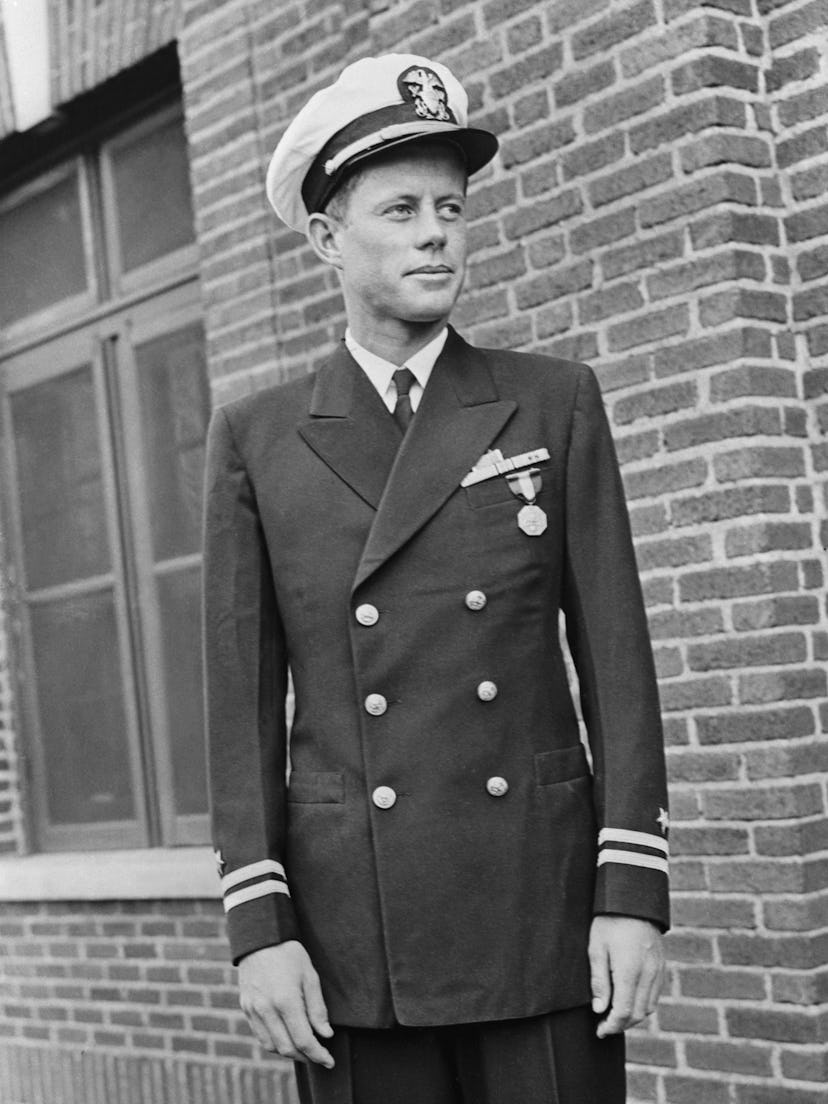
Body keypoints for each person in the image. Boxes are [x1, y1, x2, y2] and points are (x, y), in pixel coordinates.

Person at [203, 53, 670, 1104]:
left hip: (538, 914)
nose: (436, 232)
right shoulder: (258, 439)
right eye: (401, 208)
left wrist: (631, 894)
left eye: (451, 208)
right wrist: (258, 929)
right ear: (327, 238)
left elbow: (619, 664)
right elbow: (237, 708)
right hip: (353, 936)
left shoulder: (552, 403)